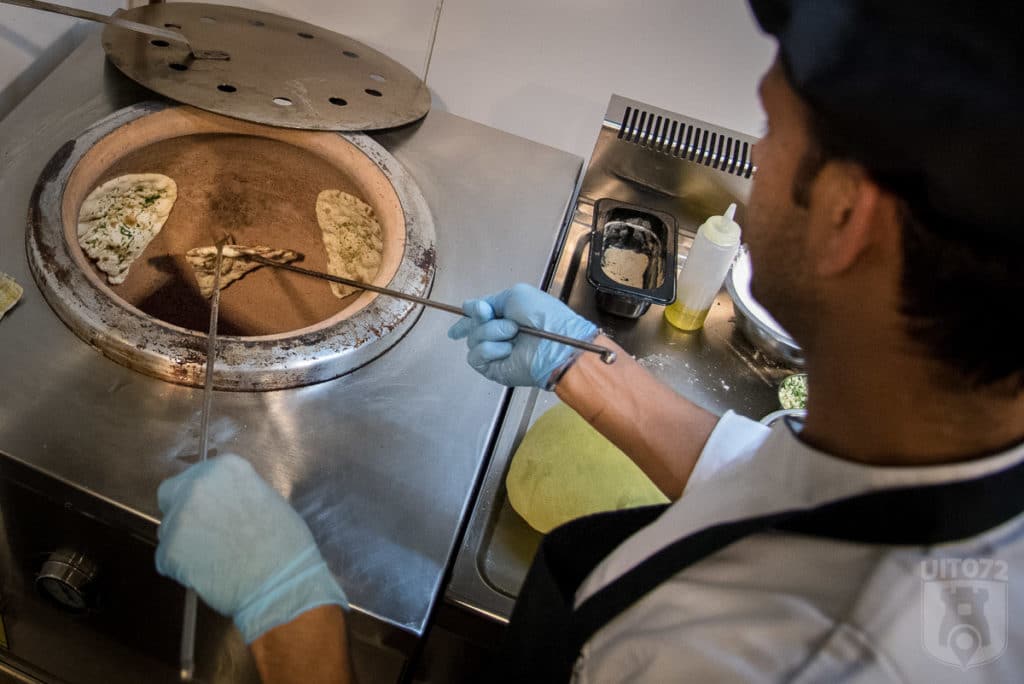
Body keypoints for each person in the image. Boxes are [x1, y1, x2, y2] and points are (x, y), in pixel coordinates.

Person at [155, 1, 1024, 681]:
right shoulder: (949, 475)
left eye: (772, 135)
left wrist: (292, 617)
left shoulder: (747, 660)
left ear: (846, 217)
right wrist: (587, 369)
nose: (755, 169)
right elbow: (798, 498)